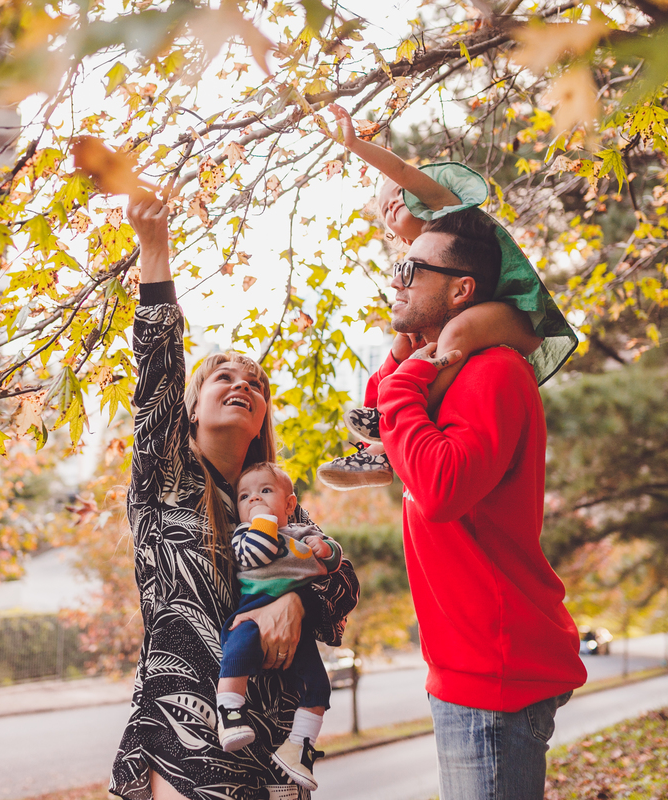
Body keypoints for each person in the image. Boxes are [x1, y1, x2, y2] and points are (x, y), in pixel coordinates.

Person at [111, 192, 359, 800]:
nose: (242, 385)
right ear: (192, 407)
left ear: (262, 417)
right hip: (185, 743)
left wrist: (296, 602)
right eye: (223, 376)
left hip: (274, 752)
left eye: (256, 384)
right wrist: (154, 249)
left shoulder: (276, 503)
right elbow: (157, 372)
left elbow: (343, 582)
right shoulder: (164, 477)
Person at [366, 208, 587, 800]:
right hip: (468, 670)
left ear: (462, 290)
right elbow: (377, 426)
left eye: (412, 270)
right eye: (398, 267)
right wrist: (406, 355)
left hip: (495, 676)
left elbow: (441, 488)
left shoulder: (494, 373)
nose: (396, 280)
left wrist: (402, 384)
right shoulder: (450, 373)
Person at [316, 104, 578, 491]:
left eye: (397, 194)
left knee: (455, 336)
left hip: (518, 313)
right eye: (384, 210)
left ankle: (390, 426)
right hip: (477, 310)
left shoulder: (447, 211)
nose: (391, 204)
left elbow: (402, 170)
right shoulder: (424, 253)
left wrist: (354, 144)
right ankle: (381, 449)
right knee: (415, 343)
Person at [217, 463, 342, 791]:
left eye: (265, 491)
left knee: (318, 684)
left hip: (297, 625)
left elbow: (335, 563)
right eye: (245, 496)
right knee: (237, 650)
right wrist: (263, 520)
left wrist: (326, 549)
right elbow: (258, 554)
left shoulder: (302, 532)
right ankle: (230, 712)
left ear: (289, 504)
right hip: (253, 611)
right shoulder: (245, 533)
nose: (254, 499)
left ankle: (299, 747)